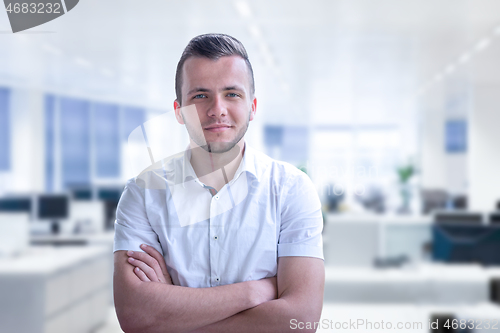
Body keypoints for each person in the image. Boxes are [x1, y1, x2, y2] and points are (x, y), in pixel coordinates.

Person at [113, 33, 324, 333]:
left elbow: (299, 322)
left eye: (232, 94)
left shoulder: (291, 189)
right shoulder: (142, 194)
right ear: (178, 111)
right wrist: (256, 292)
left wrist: (173, 312)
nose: (217, 110)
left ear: (252, 106)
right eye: (200, 95)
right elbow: (135, 316)